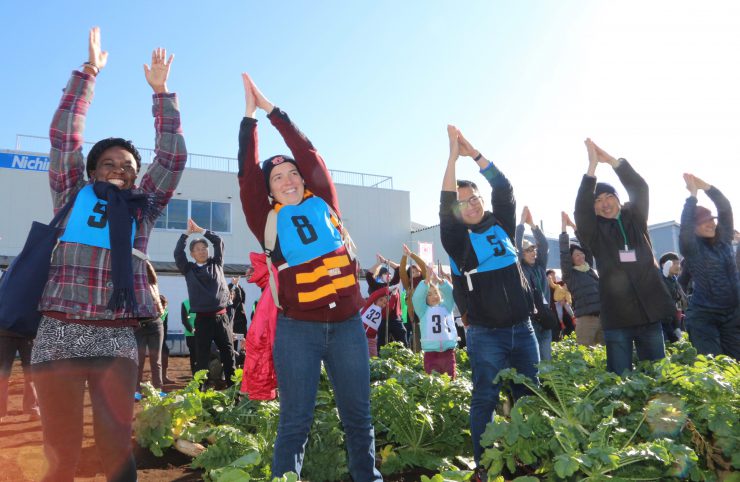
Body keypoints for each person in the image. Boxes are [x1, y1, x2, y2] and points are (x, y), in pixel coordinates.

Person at [31, 28, 185, 481]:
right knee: (60, 450)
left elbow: (172, 159)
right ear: (93, 170)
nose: (119, 170)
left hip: (116, 338)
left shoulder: (144, 208)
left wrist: (161, 96)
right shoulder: (69, 193)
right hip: (58, 332)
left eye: (128, 167)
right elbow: (63, 137)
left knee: (116, 446)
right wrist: (89, 73)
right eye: (109, 164)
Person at [237, 72, 382, 481]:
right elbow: (247, 174)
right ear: (270, 190)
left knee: (358, 417)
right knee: (295, 422)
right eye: (278, 178)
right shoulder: (266, 219)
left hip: (348, 327)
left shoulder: (326, 203)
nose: (287, 181)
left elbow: (309, 151)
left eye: (293, 175)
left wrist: (272, 112)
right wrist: (249, 121)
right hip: (297, 330)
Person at [439, 125, 539, 478]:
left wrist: (475, 153)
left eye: (474, 198)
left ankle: (528, 456)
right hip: (486, 336)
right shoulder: (457, 241)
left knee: (529, 396)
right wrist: (452, 158)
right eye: (462, 202)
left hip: (524, 331)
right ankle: (484, 464)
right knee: (486, 398)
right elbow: (446, 201)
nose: (470, 204)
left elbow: (504, 188)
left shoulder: (501, 224)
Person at [574, 139, 674, 375]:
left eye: (609, 196)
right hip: (617, 317)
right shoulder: (594, 232)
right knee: (620, 381)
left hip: (649, 313)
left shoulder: (635, 218)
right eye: (597, 200)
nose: (604, 203)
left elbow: (640, 188)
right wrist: (591, 169)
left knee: (656, 375)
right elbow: (581, 211)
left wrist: (611, 162)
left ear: (618, 199)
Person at [678, 174, 740, 359]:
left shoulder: (724, 239)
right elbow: (685, 226)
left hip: (732, 313)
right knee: (715, 365)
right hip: (705, 317)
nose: (711, 224)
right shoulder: (691, 247)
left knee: (735, 364)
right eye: (704, 222)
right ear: (694, 227)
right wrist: (692, 196)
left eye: (711, 220)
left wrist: (707, 187)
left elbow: (725, 208)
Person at [174, 219, 236, 387]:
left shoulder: (217, 263)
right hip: (202, 320)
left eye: (204, 248)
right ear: (192, 254)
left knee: (229, 355)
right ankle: (200, 394)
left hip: (222, 319)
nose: (202, 251)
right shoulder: (189, 269)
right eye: (197, 249)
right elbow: (178, 253)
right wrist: (186, 234)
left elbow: (218, 241)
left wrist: (201, 230)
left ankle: (233, 392)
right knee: (201, 359)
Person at [559, 211, 604, 346]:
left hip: (602, 318)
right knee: (585, 355)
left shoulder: (589, 268)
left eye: (581, 254)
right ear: (571, 260)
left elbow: (586, 246)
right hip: (585, 320)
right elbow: (564, 252)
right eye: (577, 255)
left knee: (605, 355)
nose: (581, 257)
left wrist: (574, 226)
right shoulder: (570, 274)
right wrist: (563, 228)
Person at [515, 206, 554, 360]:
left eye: (533, 250)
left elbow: (544, 246)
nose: (533, 253)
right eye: (528, 251)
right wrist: (521, 224)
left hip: (545, 318)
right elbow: (516, 249)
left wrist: (533, 225)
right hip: (529, 320)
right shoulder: (519, 268)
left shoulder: (540, 266)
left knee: (547, 360)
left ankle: (547, 384)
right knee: (533, 362)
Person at [413, 266, 457, 378]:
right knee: (433, 381)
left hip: (448, 351)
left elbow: (451, 294)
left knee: (451, 379)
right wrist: (426, 281)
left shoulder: (446, 306)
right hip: (431, 352)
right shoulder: (422, 310)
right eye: (429, 294)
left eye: (436, 293)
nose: (434, 296)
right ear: (425, 298)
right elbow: (416, 298)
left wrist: (440, 281)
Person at [134, 261, 166, 395]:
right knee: (138, 361)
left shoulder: (152, 283)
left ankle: (158, 390)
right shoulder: (132, 286)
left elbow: (149, 270)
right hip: (139, 327)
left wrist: (144, 261)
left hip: (155, 324)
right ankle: (136, 390)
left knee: (156, 360)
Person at [366, 254, 407, 348]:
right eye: (385, 274)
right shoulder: (376, 286)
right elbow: (368, 275)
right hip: (381, 319)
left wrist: (386, 262)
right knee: (381, 344)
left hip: (395, 318)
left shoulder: (394, 283)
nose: (388, 276)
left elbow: (398, 268)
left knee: (402, 341)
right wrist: (378, 263)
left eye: (389, 274)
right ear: (380, 276)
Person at [0, 329, 39, 423]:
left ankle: (32, 409)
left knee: (31, 373)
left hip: (28, 334)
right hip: (5, 333)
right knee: (2, 374)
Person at [399, 244, 428, 351]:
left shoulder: (425, 281)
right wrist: (404, 256)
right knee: (417, 339)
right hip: (415, 314)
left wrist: (411, 254)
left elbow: (424, 266)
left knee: (427, 337)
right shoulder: (408, 285)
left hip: (426, 312)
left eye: (416, 271)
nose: (414, 273)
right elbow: (401, 271)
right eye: (412, 272)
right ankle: (419, 357)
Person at [658, 252, 687, 343]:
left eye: (678, 263)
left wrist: (678, 326)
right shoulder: (659, 279)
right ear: (664, 265)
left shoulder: (674, 280)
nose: (678, 266)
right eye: (674, 263)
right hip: (662, 323)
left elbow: (681, 302)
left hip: (673, 322)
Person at [360, 287, 390, 357]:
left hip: (371, 339)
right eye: (381, 300)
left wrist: (393, 295)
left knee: (373, 357)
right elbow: (375, 295)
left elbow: (389, 308)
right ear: (376, 300)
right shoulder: (369, 305)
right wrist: (387, 289)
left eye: (384, 303)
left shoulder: (383, 312)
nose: (382, 303)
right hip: (359, 334)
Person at [159, 294, 174, 384]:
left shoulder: (166, 311)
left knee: (165, 352)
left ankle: (164, 377)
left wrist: (164, 338)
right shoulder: (153, 311)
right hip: (148, 335)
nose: (164, 307)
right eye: (163, 305)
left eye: (165, 305)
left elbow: (165, 325)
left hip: (161, 335)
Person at [181, 299, 197, 375]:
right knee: (194, 356)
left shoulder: (204, 301)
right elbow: (184, 320)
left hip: (203, 334)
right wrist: (191, 330)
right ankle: (195, 375)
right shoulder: (185, 303)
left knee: (203, 355)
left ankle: (206, 377)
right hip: (191, 335)